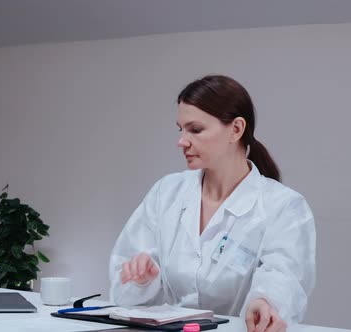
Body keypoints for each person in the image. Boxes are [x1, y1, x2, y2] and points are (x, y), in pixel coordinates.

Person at [109, 75, 316, 332]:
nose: (182, 141)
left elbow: (284, 278)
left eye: (195, 130)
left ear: (236, 129)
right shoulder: (166, 193)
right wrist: (141, 280)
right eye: (180, 129)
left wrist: (265, 302)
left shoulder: (284, 207)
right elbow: (126, 293)